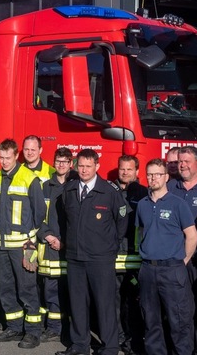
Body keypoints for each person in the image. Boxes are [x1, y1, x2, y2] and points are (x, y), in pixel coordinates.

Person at [58, 149, 129, 355]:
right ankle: (80, 345)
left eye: (88, 166)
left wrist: (111, 245)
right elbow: (65, 220)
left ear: (97, 166)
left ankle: (110, 347)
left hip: (101, 258)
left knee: (105, 304)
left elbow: (122, 220)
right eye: (80, 166)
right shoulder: (69, 190)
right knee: (77, 304)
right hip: (75, 257)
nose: (84, 170)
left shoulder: (109, 191)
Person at [137, 158, 197, 355]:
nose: (153, 178)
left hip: (173, 270)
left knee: (179, 321)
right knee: (151, 321)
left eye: (157, 174)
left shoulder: (178, 204)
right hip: (148, 269)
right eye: (149, 174)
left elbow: (192, 236)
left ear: (166, 177)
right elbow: (140, 233)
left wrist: (182, 261)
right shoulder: (142, 205)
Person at [0, 138, 47, 349]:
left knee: (27, 288)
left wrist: (29, 239)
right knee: (6, 288)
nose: (4, 162)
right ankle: (14, 327)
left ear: (16, 156)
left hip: (24, 246)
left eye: (8, 157)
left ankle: (32, 332)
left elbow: (39, 212)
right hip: (1, 245)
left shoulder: (29, 178)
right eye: (1, 157)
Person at [167, 145, 197, 355]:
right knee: (178, 308)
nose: (182, 165)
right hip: (175, 260)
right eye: (180, 161)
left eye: (187, 161)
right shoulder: (171, 186)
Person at [36, 147, 74, 343]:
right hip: (51, 247)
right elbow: (37, 216)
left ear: (71, 164)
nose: (61, 165)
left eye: (65, 161)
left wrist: (66, 240)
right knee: (50, 290)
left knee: (71, 290)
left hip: (71, 248)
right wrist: (49, 237)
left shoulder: (76, 185)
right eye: (58, 161)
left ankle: (70, 328)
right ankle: (53, 328)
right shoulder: (45, 187)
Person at [113, 155, 149, 354]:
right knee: (114, 300)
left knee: (133, 301)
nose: (125, 172)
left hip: (135, 257)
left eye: (129, 169)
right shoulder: (109, 190)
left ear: (137, 171)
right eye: (122, 169)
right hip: (114, 255)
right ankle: (117, 337)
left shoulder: (144, 193)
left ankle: (132, 338)